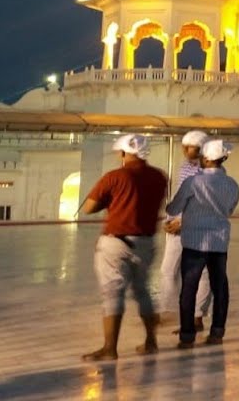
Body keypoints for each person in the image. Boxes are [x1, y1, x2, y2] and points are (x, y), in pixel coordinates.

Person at [79, 134, 168, 361]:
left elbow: (89, 208)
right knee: (143, 291)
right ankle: (151, 342)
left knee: (112, 292)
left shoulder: (114, 177)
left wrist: (108, 200)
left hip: (116, 243)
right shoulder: (159, 177)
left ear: (122, 153)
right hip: (146, 243)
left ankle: (110, 348)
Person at [166, 138, 239, 348]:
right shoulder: (232, 184)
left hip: (194, 243)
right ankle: (217, 333)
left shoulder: (193, 182)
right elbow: (229, 210)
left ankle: (187, 336)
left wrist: (172, 209)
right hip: (219, 243)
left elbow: (174, 208)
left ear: (206, 159)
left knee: (189, 289)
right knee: (220, 287)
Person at [157, 131, 212, 330]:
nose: (187, 151)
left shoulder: (210, 173)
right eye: (185, 147)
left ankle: (197, 316)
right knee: (168, 270)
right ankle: (167, 309)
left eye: (192, 148)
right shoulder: (185, 167)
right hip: (178, 228)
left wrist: (183, 221)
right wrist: (170, 219)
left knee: (201, 272)